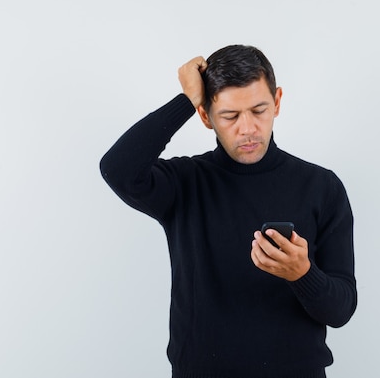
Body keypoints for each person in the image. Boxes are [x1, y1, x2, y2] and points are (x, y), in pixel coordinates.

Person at [100, 44, 357, 378]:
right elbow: (117, 168)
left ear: (277, 102)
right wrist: (186, 101)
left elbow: (341, 311)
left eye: (259, 110)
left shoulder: (322, 187)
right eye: (230, 116)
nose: (248, 128)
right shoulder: (184, 183)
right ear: (206, 116)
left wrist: (303, 274)